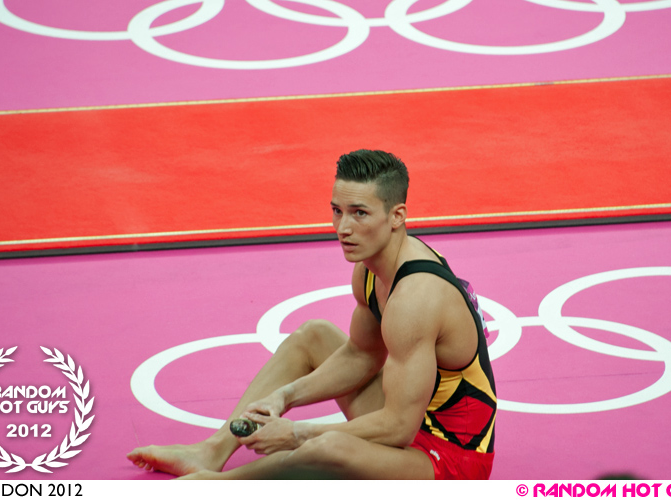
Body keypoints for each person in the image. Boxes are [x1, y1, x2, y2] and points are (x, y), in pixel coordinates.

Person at [127, 149, 497, 479]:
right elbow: (362, 355)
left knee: (329, 446)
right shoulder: (371, 266)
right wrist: (283, 398)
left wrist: (295, 433)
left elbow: (399, 427)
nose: (343, 228)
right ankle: (210, 452)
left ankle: (218, 487)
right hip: (412, 423)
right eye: (337, 211)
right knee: (313, 335)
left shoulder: (415, 297)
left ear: (397, 215)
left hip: (451, 461)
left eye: (360, 214)